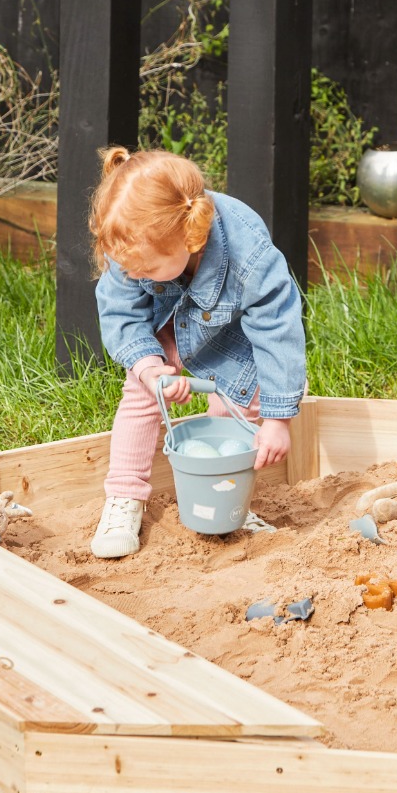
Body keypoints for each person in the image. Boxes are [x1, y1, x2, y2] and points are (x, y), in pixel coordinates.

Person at [88, 146, 307, 558]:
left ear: (190, 238)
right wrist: (151, 368)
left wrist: (279, 420)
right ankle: (124, 497)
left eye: (146, 270)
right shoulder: (130, 243)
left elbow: (278, 329)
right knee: (140, 394)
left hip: (233, 336)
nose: (135, 276)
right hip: (167, 323)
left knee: (240, 403)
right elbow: (120, 310)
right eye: (128, 269)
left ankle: (227, 502)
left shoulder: (249, 252)